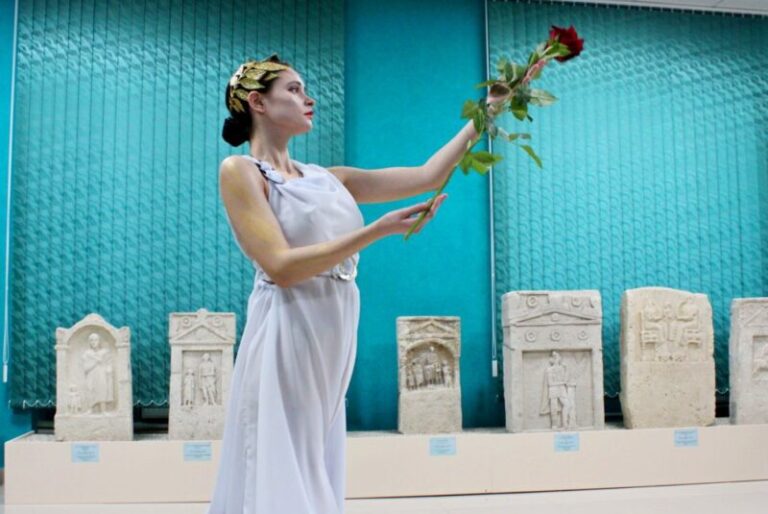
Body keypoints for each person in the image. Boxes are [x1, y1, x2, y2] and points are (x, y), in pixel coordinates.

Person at [207, 53, 503, 514]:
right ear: (257, 103)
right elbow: (280, 266)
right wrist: (376, 231)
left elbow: (427, 176)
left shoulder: (328, 178)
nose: (308, 98)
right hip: (288, 324)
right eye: (293, 89)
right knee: (283, 453)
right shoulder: (240, 171)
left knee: (315, 453)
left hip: (335, 324)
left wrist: (490, 109)